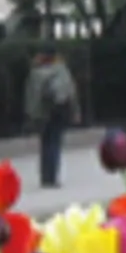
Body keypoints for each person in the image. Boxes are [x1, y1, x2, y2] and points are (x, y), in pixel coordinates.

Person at [23, 46, 79, 190]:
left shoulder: (35, 73)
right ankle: (52, 177)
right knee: (54, 143)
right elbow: (70, 92)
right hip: (58, 111)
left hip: (42, 113)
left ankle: (45, 176)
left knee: (45, 144)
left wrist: (32, 114)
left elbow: (32, 96)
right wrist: (75, 112)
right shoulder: (61, 70)